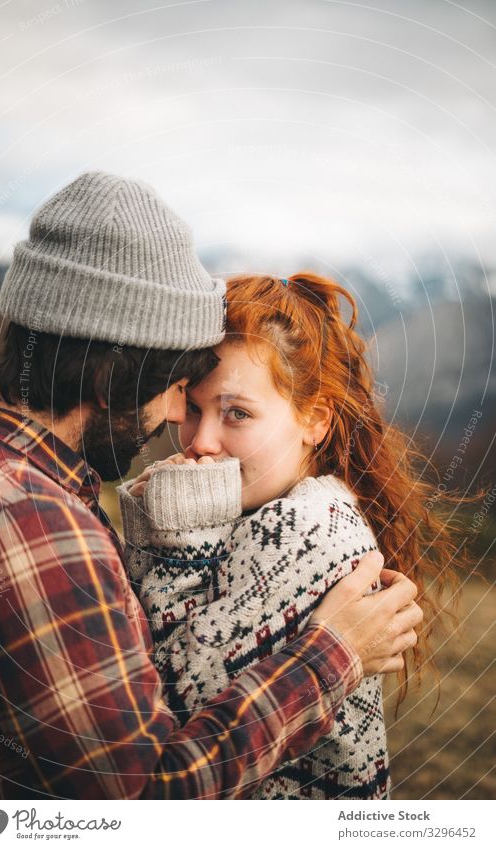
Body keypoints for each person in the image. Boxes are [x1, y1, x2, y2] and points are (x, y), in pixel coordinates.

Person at [0, 172, 422, 800]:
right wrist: (334, 652)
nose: (181, 421)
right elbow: (145, 794)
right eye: (176, 385)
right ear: (109, 380)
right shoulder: (34, 522)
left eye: (235, 411)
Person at [121, 271, 470, 799]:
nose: (201, 441)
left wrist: (169, 538)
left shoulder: (304, 529)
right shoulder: (251, 509)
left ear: (314, 420)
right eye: (192, 407)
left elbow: (164, 710)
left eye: (237, 413)